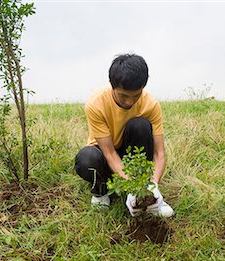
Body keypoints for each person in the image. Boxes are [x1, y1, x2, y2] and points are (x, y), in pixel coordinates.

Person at [74, 54, 174, 217]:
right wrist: (134, 185)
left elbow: (159, 153)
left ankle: (150, 197)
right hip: (105, 155)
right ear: (112, 86)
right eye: (123, 95)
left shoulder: (151, 104)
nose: (129, 102)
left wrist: (153, 185)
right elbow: (110, 154)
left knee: (140, 125)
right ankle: (101, 192)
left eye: (136, 95)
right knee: (87, 158)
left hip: (130, 154)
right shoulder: (96, 104)